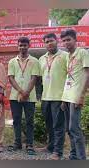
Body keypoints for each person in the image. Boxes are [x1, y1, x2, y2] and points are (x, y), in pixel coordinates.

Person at [7, 37, 40, 155]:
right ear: (18, 46)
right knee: (16, 120)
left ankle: (30, 144)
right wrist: (21, 91)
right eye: (20, 45)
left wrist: (26, 93)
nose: (22, 47)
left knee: (29, 121)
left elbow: (34, 78)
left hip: (30, 97)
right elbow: (10, 78)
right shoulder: (12, 61)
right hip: (15, 96)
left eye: (25, 45)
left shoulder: (35, 61)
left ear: (28, 46)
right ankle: (17, 143)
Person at [38, 33, 68, 160]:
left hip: (59, 97)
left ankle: (58, 152)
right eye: (46, 42)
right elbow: (39, 79)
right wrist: (39, 94)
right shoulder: (41, 59)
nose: (49, 43)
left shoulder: (65, 56)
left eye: (51, 41)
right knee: (49, 124)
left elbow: (69, 78)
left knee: (58, 126)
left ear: (57, 41)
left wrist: (65, 97)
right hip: (46, 98)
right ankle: (50, 146)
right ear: (44, 44)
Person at [60, 29, 88, 160]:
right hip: (67, 96)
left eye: (68, 39)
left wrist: (81, 96)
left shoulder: (82, 52)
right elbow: (68, 77)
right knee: (68, 129)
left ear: (75, 40)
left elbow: (87, 74)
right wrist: (62, 99)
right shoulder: (67, 56)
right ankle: (73, 155)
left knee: (74, 128)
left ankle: (82, 158)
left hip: (76, 96)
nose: (66, 43)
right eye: (64, 40)